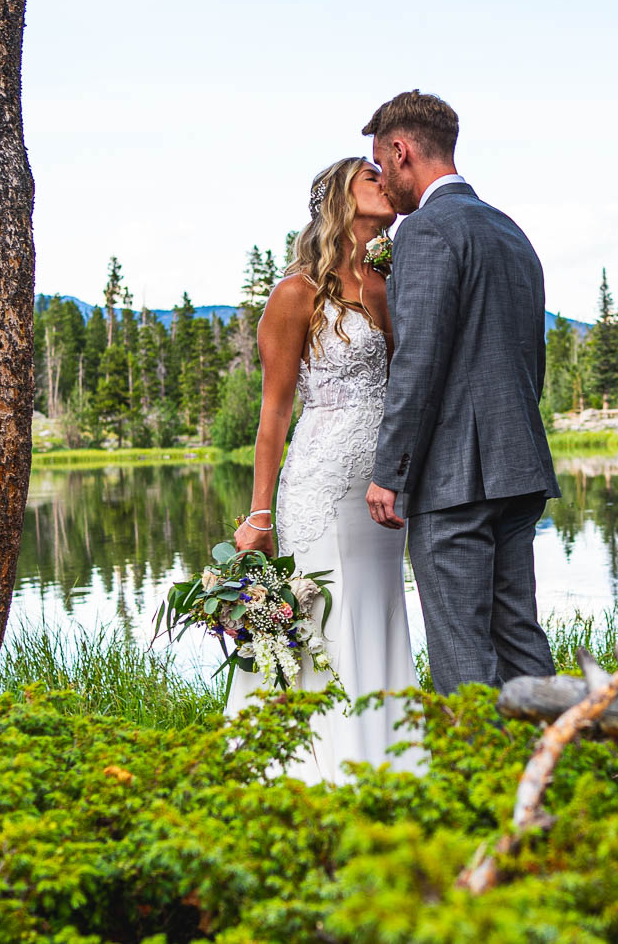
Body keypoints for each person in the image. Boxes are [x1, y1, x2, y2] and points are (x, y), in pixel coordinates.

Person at [228, 156, 424, 783]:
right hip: (318, 487)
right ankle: (306, 770)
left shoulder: (389, 281)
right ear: (343, 197)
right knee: (322, 619)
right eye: (373, 176)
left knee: (377, 610)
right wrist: (260, 514)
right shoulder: (296, 293)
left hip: (382, 490)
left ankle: (388, 762)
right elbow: (275, 412)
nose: (386, 182)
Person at [363, 90, 560, 694]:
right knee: (520, 636)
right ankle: (559, 768)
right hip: (518, 467)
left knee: (460, 651)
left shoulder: (425, 232)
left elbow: (417, 364)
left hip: (455, 482)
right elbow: (532, 354)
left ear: (401, 151)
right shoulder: (510, 231)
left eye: (380, 161)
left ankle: (477, 782)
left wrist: (391, 471)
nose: (384, 181)